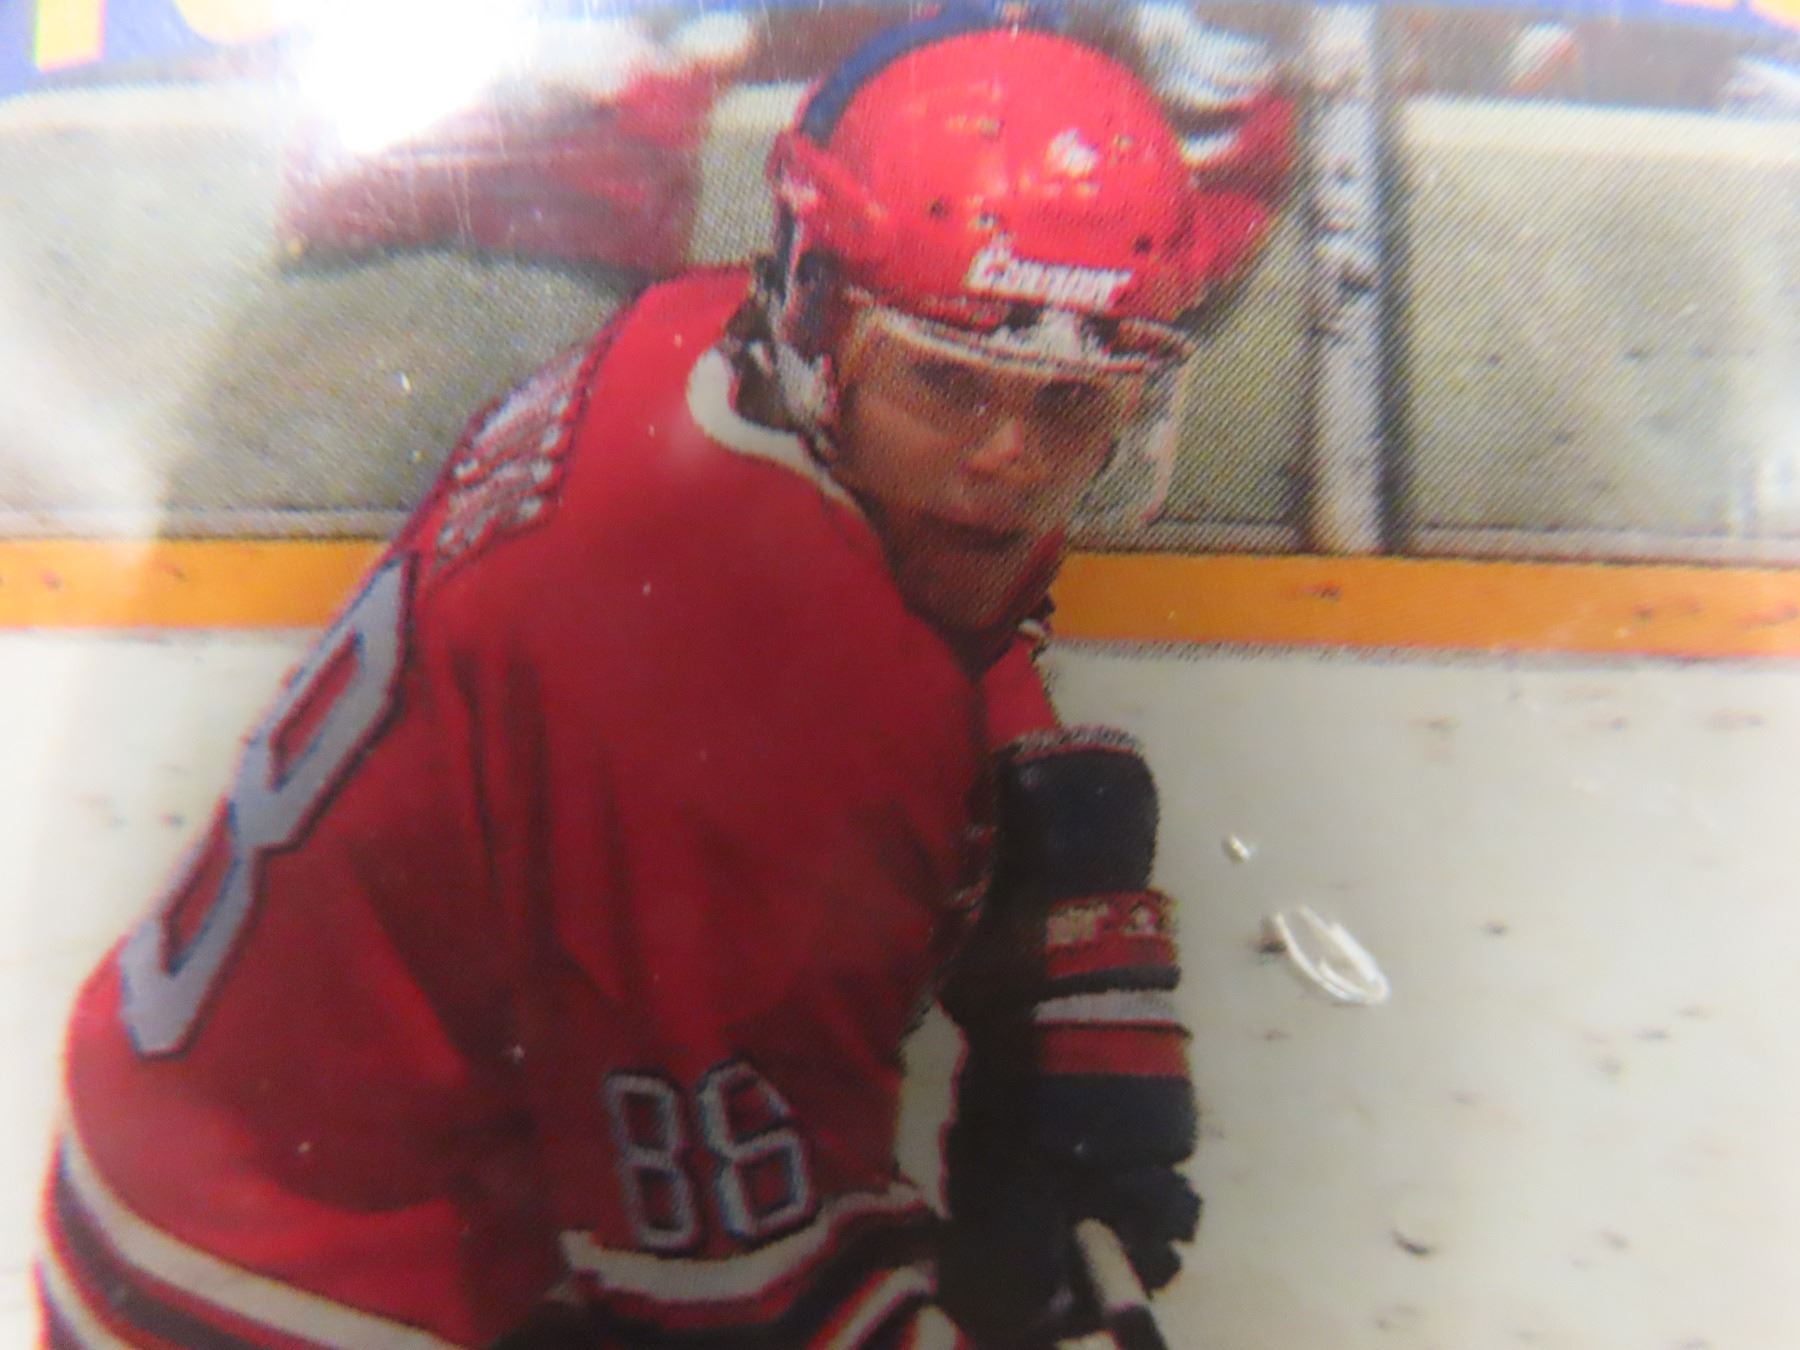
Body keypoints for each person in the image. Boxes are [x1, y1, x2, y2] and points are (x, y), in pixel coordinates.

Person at [38, 8, 1288, 1347]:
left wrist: (1064, 914)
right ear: (815, 316)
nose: (1006, 462)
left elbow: (952, 631)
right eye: (948, 385)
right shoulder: (719, 698)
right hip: (271, 1284)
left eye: (1069, 404)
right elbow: (738, 1300)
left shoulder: (717, 348)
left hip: (243, 1146)